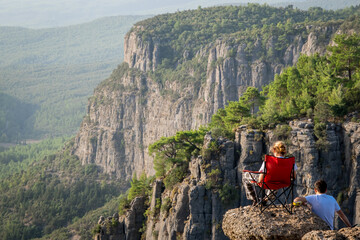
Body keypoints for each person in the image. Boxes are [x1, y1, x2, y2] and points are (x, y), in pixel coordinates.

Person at [242, 141, 297, 205]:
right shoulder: (290, 162)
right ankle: (265, 200)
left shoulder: (269, 161)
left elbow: (260, 179)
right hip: (283, 183)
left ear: (274, 150)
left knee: (245, 176)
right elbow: (294, 177)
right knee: (276, 180)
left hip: (268, 182)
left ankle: (255, 199)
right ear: (285, 151)